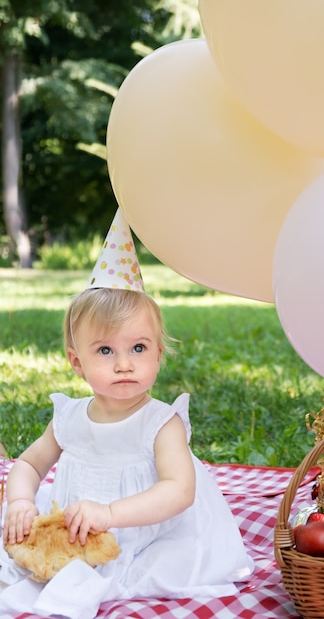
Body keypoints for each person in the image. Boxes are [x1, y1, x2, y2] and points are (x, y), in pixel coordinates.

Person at [0, 210, 253, 617]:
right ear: (76, 362)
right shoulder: (70, 419)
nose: (124, 364)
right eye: (105, 350)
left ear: (158, 352)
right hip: (80, 530)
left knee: (162, 566)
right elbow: (28, 463)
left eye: (138, 348)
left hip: (152, 530)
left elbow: (178, 491)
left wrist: (111, 514)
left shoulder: (160, 423)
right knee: (27, 556)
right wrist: (19, 501)